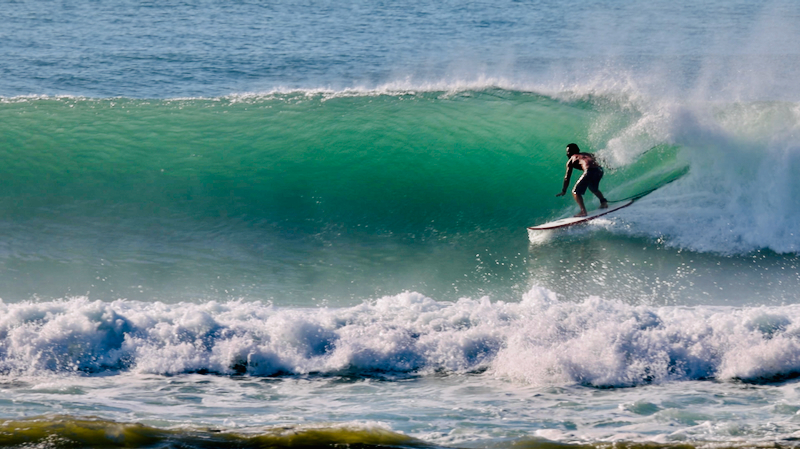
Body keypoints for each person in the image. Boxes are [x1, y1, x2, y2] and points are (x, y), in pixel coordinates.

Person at [556, 143, 608, 217]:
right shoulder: (586, 154)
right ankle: (603, 203)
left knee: (575, 192)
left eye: (568, 152)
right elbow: (601, 157)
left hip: (590, 171)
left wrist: (564, 190)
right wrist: (608, 166)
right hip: (599, 170)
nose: (567, 154)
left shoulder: (571, 160)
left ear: (571, 152)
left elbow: (567, 177)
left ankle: (583, 212)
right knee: (593, 188)